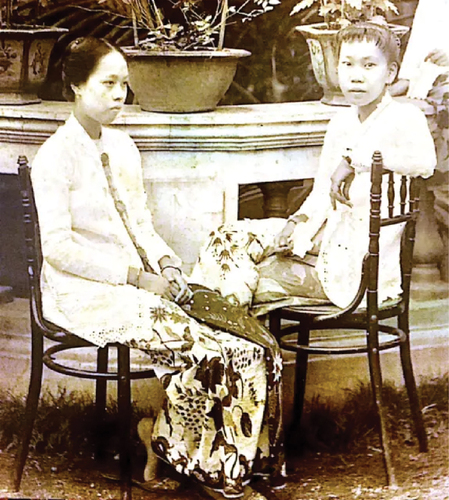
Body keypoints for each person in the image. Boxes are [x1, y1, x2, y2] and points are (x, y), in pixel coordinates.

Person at [31, 37, 285, 500]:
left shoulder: (125, 146)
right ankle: (214, 475)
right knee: (204, 351)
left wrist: (166, 263)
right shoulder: (53, 159)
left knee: (239, 343)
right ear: (74, 85)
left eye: (124, 84)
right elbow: (59, 250)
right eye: (107, 83)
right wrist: (135, 278)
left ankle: (178, 444)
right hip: (84, 292)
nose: (118, 95)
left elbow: (141, 223)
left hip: (142, 282)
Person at [191, 21, 437, 316]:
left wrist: (353, 161)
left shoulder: (404, 117)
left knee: (234, 281)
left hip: (358, 268)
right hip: (322, 240)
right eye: (347, 64)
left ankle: (235, 337)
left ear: (391, 74)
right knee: (225, 237)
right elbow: (322, 190)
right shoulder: (341, 123)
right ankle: (239, 339)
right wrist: (296, 222)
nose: (356, 77)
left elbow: (425, 163)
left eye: (369, 66)